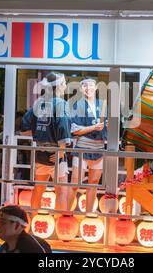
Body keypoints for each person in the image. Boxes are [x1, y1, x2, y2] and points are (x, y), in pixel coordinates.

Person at [21, 72, 71, 211]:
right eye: (65, 83)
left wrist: (40, 132)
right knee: (61, 191)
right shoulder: (61, 104)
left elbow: (24, 130)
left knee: (38, 190)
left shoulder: (39, 103)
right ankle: (61, 229)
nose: (66, 85)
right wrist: (61, 151)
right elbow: (63, 127)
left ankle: (34, 221)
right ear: (60, 86)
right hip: (57, 154)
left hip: (40, 154)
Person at [67, 77, 107, 212]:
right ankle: (67, 213)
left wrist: (106, 125)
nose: (88, 88)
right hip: (82, 148)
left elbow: (109, 126)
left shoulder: (103, 104)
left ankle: (89, 214)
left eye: (91, 85)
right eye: (85, 86)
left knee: (93, 184)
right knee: (74, 183)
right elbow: (75, 130)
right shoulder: (77, 105)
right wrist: (94, 127)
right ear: (81, 89)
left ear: (96, 88)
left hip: (99, 148)